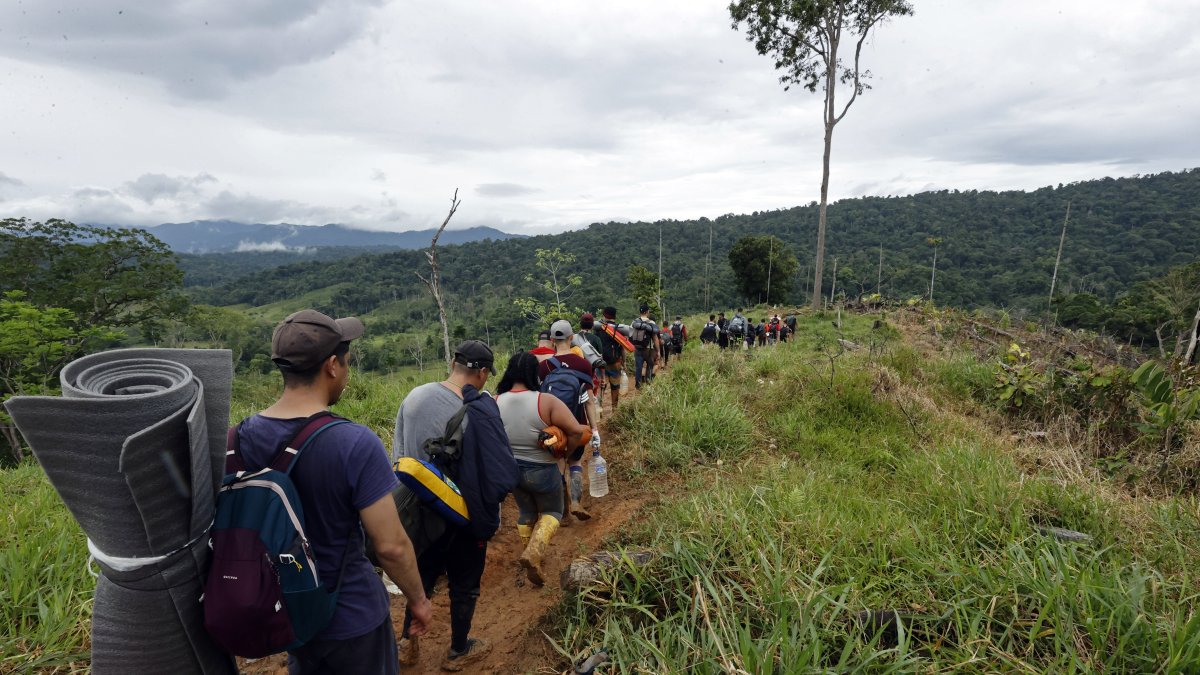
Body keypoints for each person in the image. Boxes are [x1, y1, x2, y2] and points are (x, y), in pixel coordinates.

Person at [234, 309, 432, 675]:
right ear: (331, 366)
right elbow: (390, 546)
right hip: (351, 616)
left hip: (287, 613)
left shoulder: (237, 439)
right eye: (347, 362)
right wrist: (418, 599)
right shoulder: (354, 442)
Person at [393, 340, 519, 671]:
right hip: (464, 514)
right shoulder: (480, 407)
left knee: (422, 577)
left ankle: (406, 642)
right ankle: (459, 649)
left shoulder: (414, 397)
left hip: (421, 510)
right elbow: (498, 469)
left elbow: (400, 457)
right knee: (464, 584)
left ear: (453, 363)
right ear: (482, 372)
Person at [495, 352, 589, 586]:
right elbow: (576, 431)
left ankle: (528, 551)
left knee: (526, 512)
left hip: (512, 470)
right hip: (543, 469)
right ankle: (533, 553)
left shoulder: (495, 401)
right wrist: (565, 454)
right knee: (553, 511)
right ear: (534, 374)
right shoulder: (546, 401)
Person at [539, 320, 599, 521]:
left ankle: (563, 513)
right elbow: (589, 401)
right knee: (575, 461)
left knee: (558, 462)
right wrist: (594, 429)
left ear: (552, 340)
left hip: (553, 427)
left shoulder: (544, 367)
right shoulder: (583, 364)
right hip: (577, 424)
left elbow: (539, 401)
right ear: (572, 338)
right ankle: (575, 501)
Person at [595, 307, 628, 411]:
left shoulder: (599, 328)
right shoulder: (619, 329)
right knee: (615, 386)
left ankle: (599, 410)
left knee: (600, 386)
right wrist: (624, 362)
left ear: (604, 315)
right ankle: (615, 409)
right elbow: (622, 348)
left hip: (600, 363)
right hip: (615, 362)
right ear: (614, 316)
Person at [630, 304, 659, 387]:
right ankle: (648, 384)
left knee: (638, 367)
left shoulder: (634, 322)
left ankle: (638, 385)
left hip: (637, 348)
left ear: (640, 312)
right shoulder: (651, 322)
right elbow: (655, 338)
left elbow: (630, 334)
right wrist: (658, 351)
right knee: (649, 366)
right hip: (648, 349)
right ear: (647, 312)